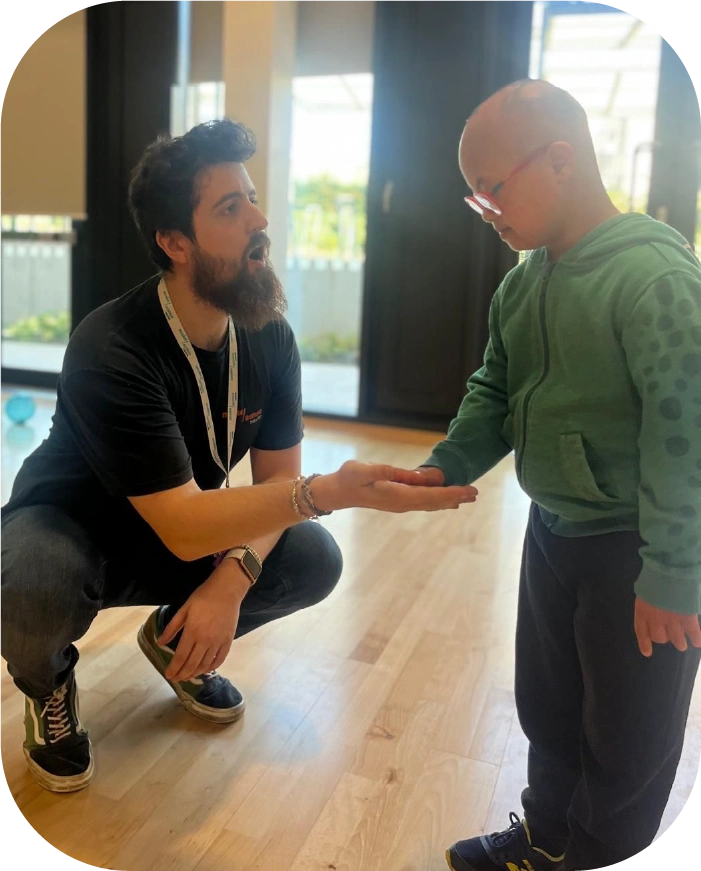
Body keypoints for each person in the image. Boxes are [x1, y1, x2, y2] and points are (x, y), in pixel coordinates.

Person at [0, 118, 478, 795]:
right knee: (31, 584)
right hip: (70, 529)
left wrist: (229, 584)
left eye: (251, 197)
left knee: (310, 556)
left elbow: (276, 481)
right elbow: (197, 522)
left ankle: (175, 640)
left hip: (180, 522)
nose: (260, 219)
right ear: (175, 243)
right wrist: (330, 491)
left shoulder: (267, 336)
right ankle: (46, 683)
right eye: (231, 207)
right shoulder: (114, 346)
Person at [411, 80, 701, 871]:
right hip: (554, 530)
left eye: (491, 190)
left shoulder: (654, 279)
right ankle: (543, 836)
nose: (487, 211)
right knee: (549, 702)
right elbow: (493, 389)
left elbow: (688, 435)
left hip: (637, 550)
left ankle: (597, 856)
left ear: (561, 160)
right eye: (476, 199)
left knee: (627, 732)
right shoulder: (523, 280)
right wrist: (446, 466)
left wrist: (674, 573)